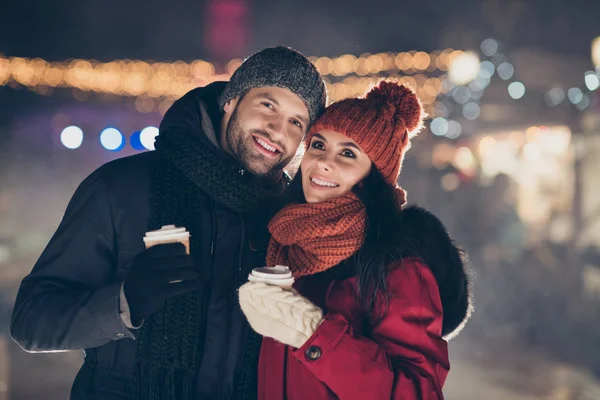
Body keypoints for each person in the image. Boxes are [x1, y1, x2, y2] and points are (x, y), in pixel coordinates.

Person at [10, 46, 327, 400]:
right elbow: (31, 321)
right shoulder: (123, 187)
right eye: (268, 105)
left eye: (296, 122)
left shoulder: (287, 223)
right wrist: (123, 303)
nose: (276, 130)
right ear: (231, 100)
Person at [238, 81, 472, 399]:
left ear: (373, 177)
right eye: (318, 145)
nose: (323, 161)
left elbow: (418, 393)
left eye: (348, 153)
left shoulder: (398, 264)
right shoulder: (285, 243)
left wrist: (313, 332)